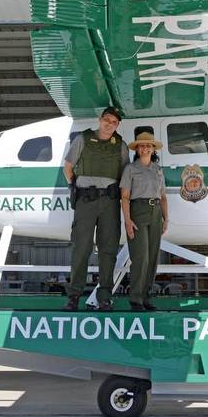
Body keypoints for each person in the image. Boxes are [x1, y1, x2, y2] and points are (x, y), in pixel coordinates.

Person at [62, 106, 127, 311]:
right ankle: (73, 297)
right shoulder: (82, 139)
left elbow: (125, 175)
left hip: (109, 202)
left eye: (114, 122)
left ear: (117, 125)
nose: (110, 124)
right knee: (81, 247)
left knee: (108, 250)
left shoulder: (121, 145)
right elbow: (68, 166)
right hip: (86, 201)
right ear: (100, 120)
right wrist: (76, 187)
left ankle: (104, 297)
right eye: (107, 120)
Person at [120, 132, 168, 311]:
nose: (145, 148)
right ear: (137, 149)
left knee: (153, 257)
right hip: (138, 211)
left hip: (155, 212)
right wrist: (127, 220)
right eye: (141, 145)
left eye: (148, 145)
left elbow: (163, 197)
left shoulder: (157, 169)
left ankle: (147, 297)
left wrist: (166, 218)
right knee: (141, 258)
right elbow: (124, 197)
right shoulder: (130, 169)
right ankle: (136, 299)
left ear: (153, 148)